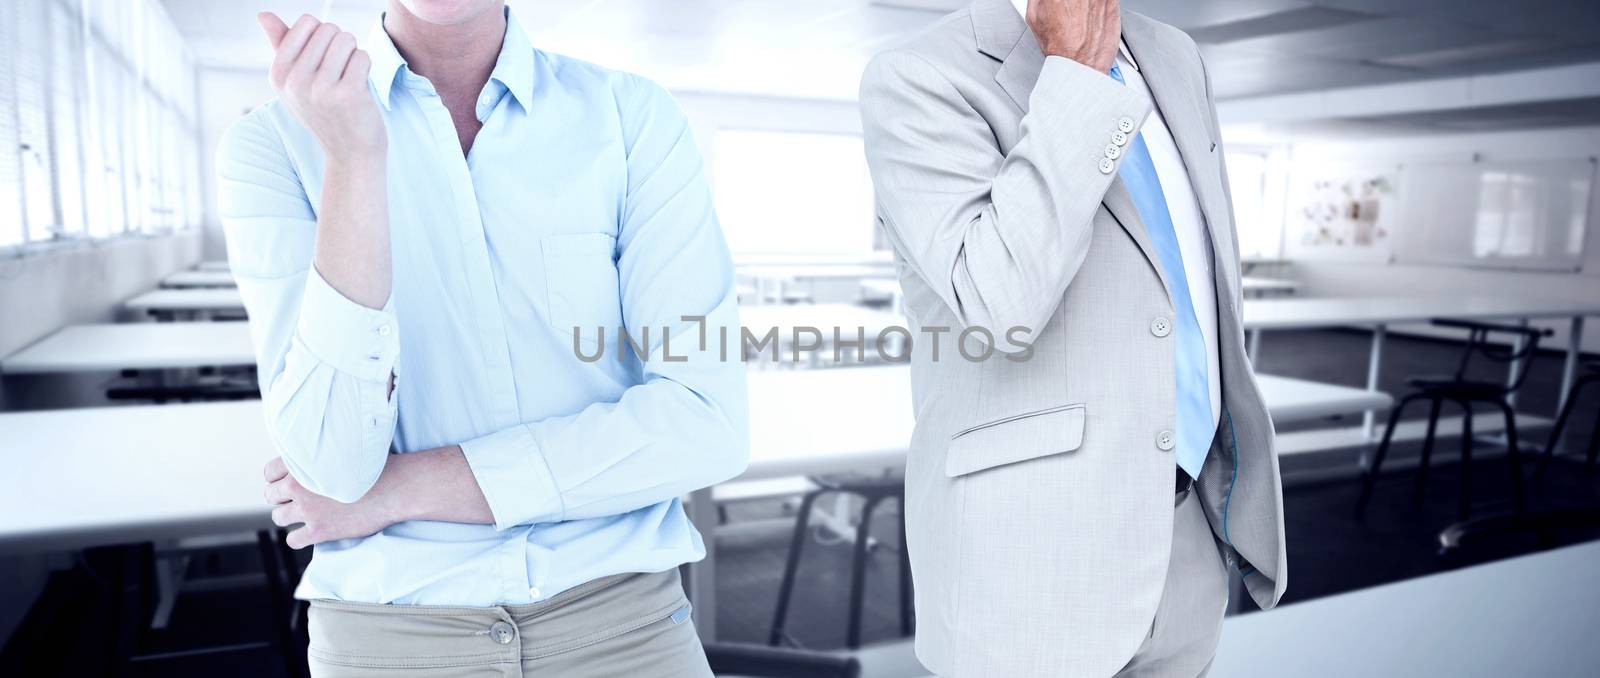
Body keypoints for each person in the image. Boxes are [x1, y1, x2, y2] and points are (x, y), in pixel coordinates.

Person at [216, 1, 746, 674]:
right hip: (392, 639)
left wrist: (401, 491)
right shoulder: (272, 143)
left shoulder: (630, 117)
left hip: (624, 626)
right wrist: (353, 158)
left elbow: (706, 422)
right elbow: (333, 466)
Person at [857, 0, 1286, 675]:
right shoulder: (919, 75)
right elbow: (1002, 304)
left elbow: (1191, 283)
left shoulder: (1173, 53)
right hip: (1029, 561)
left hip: (1185, 539)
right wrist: (1075, 77)